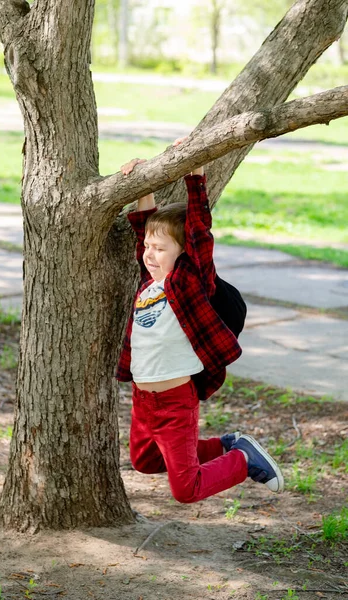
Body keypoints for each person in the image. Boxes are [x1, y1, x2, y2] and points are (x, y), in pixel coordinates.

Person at [116, 139, 284, 503]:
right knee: (144, 461)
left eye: (160, 249)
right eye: (148, 247)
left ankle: (242, 459)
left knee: (187, 489)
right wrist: (141, 187)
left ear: (184, 256)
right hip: (143, 400)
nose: (149, 254)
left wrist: (197, 172)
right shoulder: (150, 285)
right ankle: (226, 444)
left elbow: (198, 233)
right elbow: (143, 229)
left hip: (176, 401)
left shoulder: (188, 283)